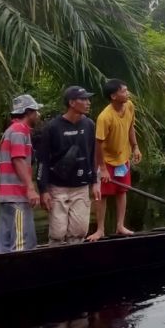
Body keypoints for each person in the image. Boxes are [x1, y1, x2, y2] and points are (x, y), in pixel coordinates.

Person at [37, 86, 101, 245]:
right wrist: (43, 190)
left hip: (81, 187)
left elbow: (94, 155)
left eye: (88, 99)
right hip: (58, 188)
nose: (88, 103)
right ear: (72, 103)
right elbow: (42, 160)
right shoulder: (52, 127)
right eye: (83, 99)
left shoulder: (89, 125)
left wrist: (96, 181)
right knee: (58, 233)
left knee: (79, 232)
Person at [87, 79, 142, 241]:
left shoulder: (130, 106)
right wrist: (102, 168)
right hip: (106, 160)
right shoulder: (105, 117)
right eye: (123, 91)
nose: (127, 93)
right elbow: (98, 145)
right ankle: (100, 229)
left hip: (122, 159)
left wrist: (135, 147)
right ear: (113, 96)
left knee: (122, 191)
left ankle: (120, 225)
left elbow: (131, 127)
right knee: (102, 195)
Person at [0, 94, 42, 253]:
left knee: (5, 243)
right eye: (36, 111)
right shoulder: (19, 131)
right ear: (28, 113)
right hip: (16, 196)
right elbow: (18, 160)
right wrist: (30, 188)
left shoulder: (11, 130)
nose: (38, 115)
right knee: (22, 244)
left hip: (7, 195)